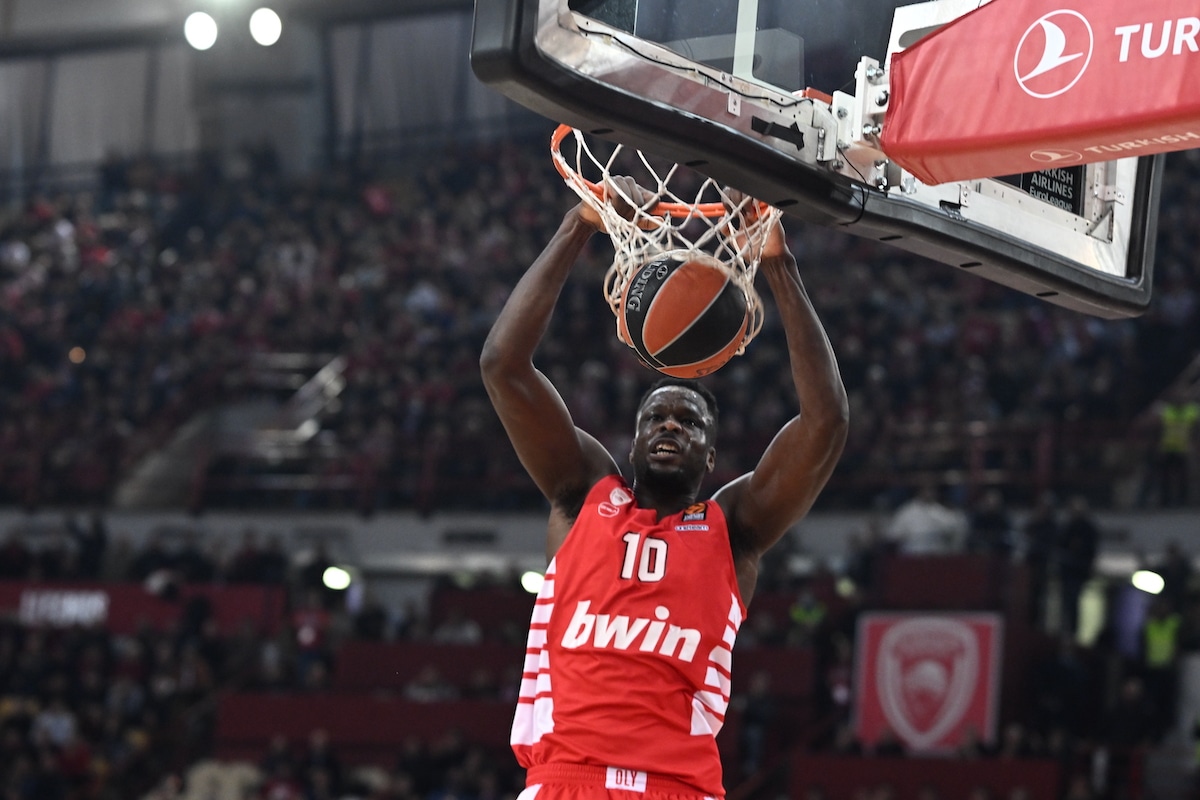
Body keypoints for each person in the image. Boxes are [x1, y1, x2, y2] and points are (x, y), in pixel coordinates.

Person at [480, 177, 848, 800]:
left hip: (677, 786)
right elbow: (502, 365)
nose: (671, 425)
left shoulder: (734, 529)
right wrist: (579, 224)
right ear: (632, 442)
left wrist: (778, 264)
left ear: (712, 455)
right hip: (566, 781)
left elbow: (826, 421)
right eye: (656, 417)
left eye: (689, 421)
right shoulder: (582, 494)